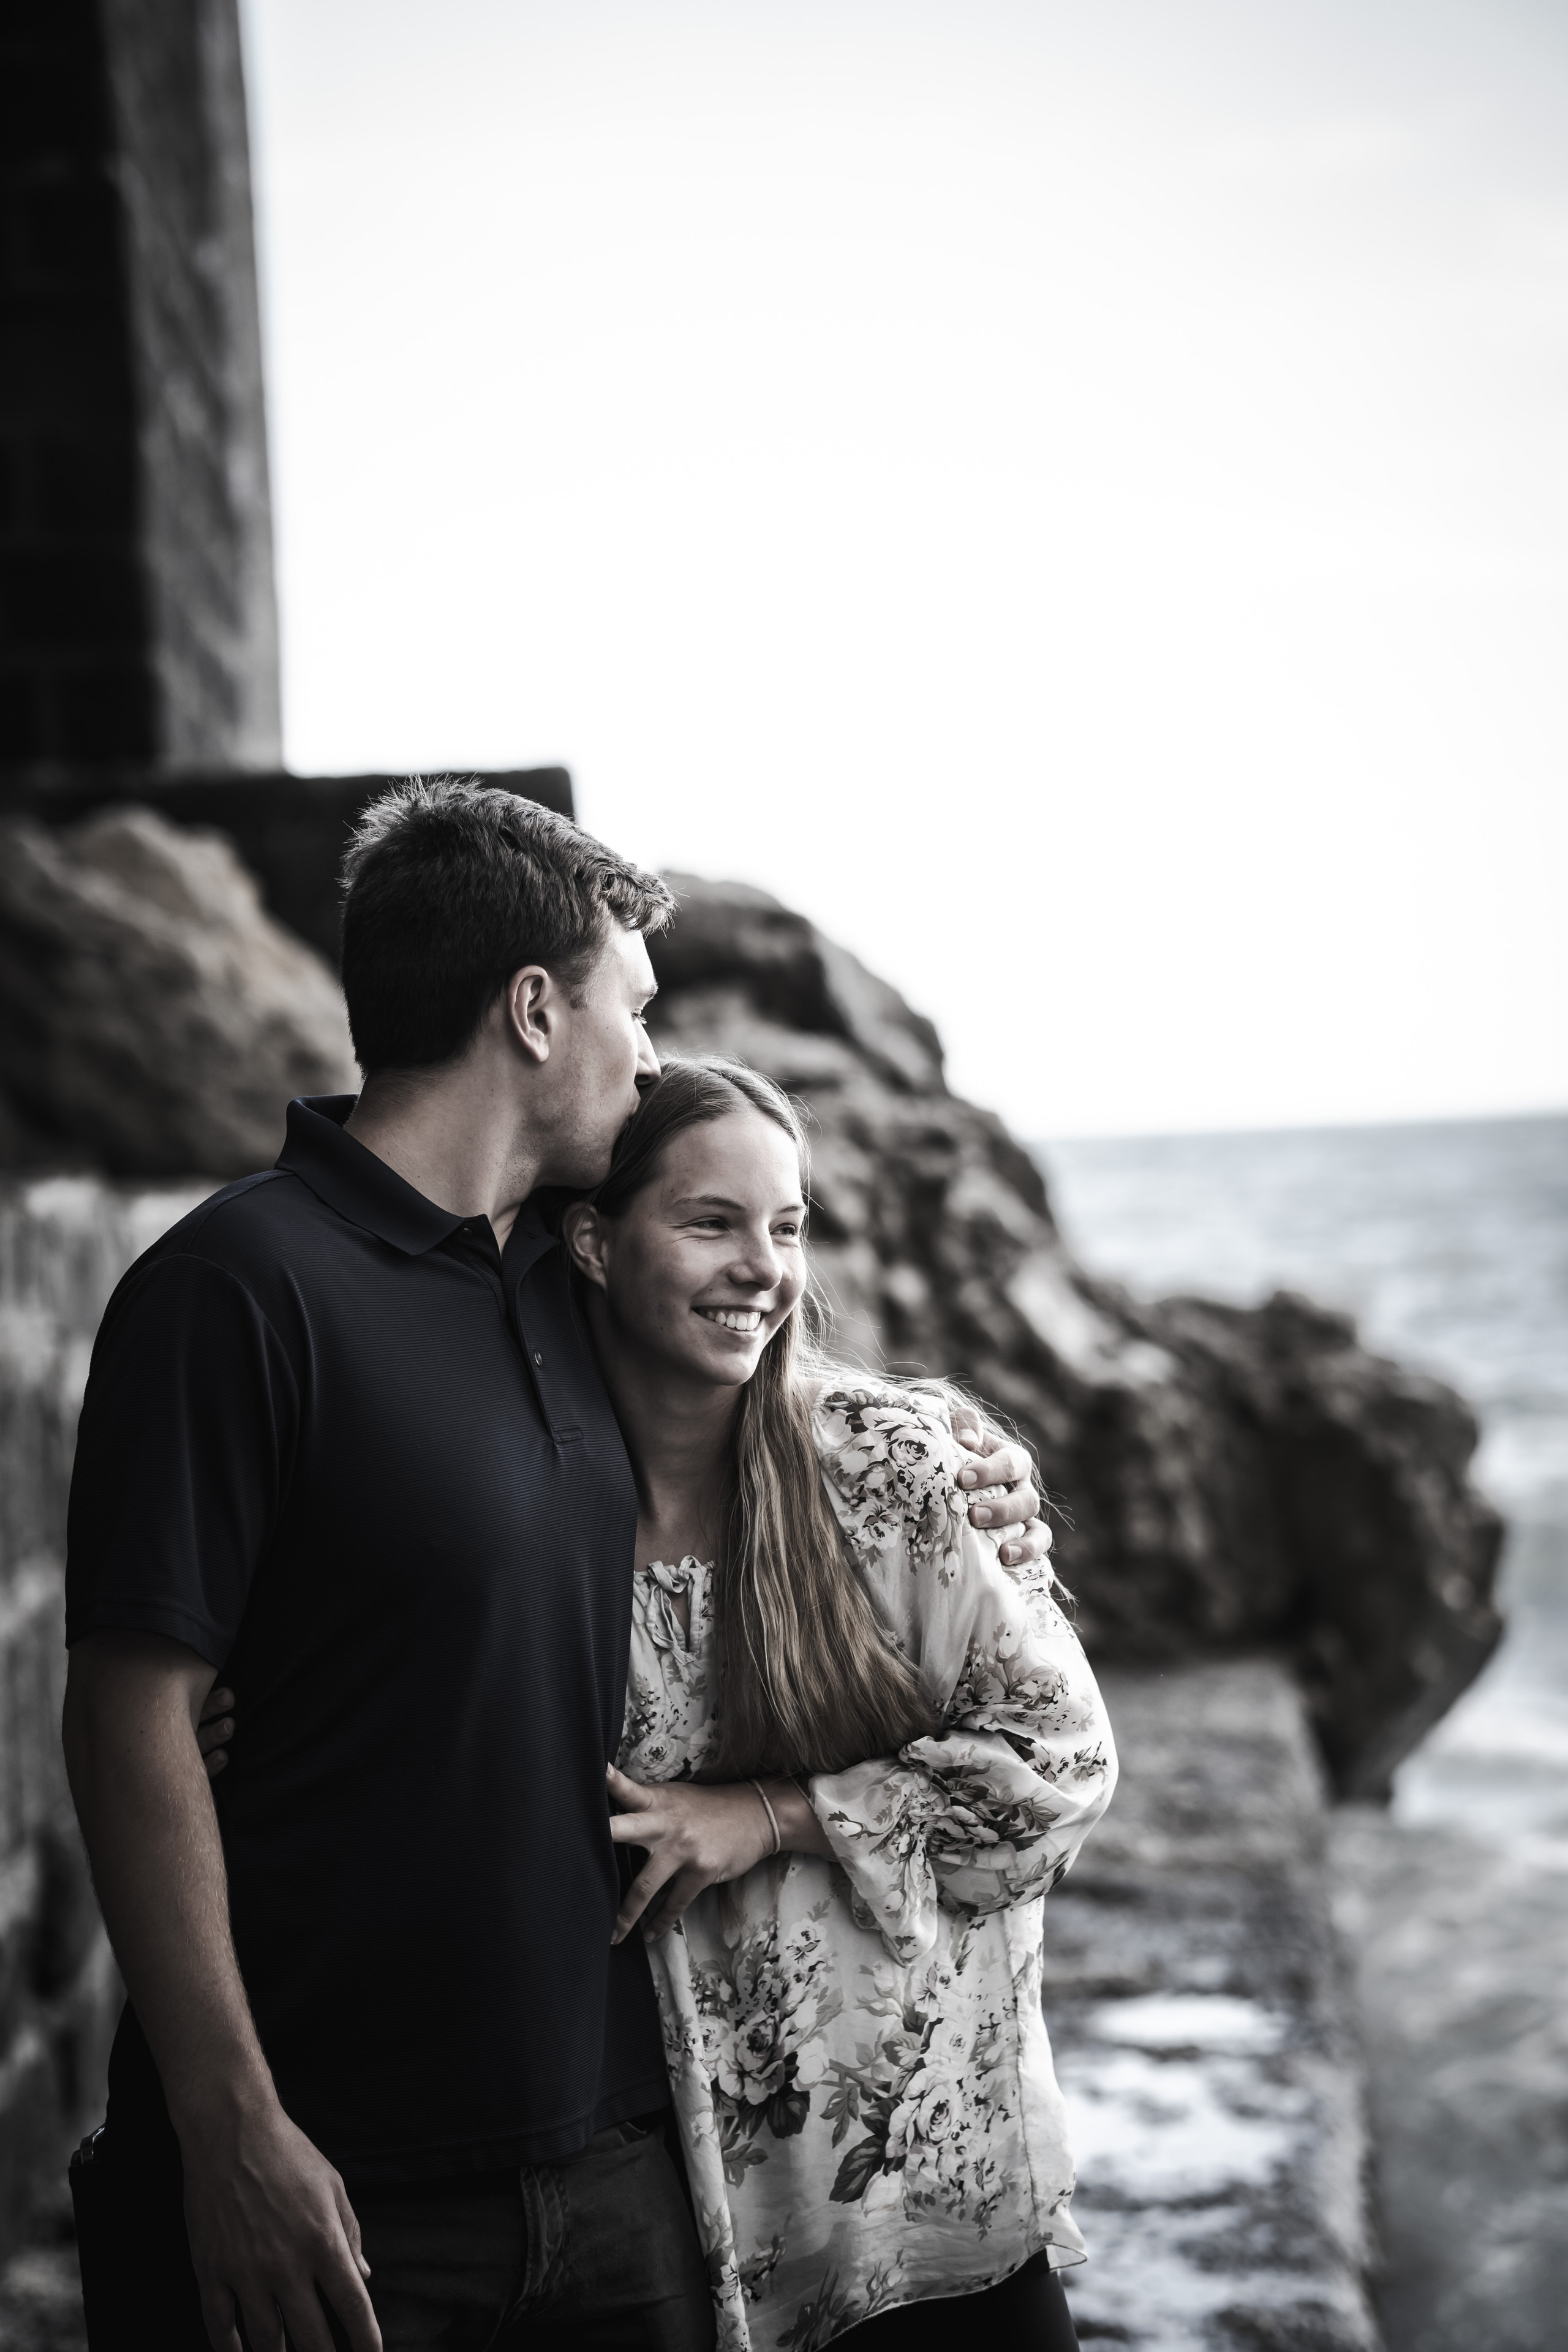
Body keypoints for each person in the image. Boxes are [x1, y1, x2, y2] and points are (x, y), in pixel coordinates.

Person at [60, 780, 1053, 2352]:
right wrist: (233, 2134)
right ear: (533, 1009)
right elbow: (128, 1724)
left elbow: (762, 1396)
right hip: (344, 2184)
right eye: (631, 1007)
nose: (649, 1054)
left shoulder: (569, 1278)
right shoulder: (234, 1290)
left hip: (621, 2178)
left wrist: (974, 1471)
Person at [211, 1053, 1117, 2350]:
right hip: (700, 2251)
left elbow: (1062, 1772)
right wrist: (243, 1716)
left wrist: (766, 1815)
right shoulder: (524, 1521)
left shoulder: (892, 1472)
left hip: (942, 2218)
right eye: (711, 1223)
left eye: (787, 1228)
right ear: (589, 1240)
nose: (763, 1266)